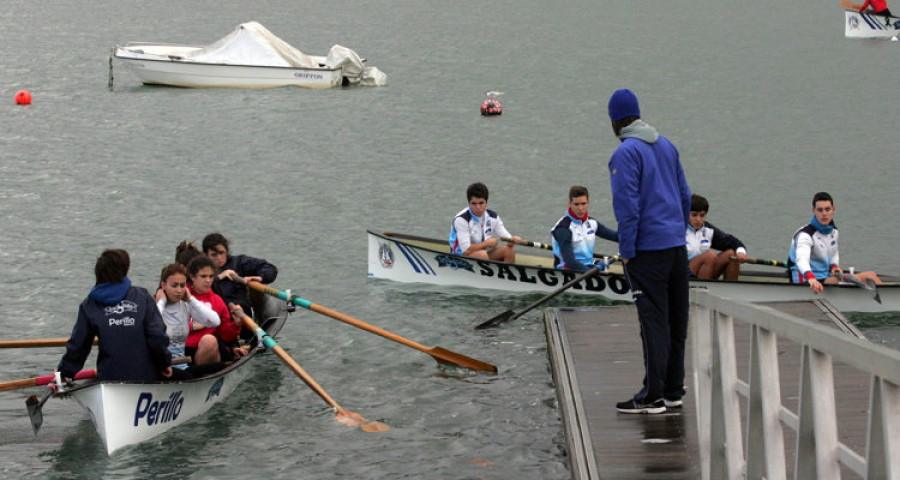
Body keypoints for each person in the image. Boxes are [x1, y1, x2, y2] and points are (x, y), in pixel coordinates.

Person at [606, 89, 692, 414]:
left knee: (652, 321)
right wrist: (677, 230)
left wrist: (627, 250)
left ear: (615, 121)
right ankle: (673, 390)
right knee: (676, 320)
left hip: (647, 251)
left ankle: (652, 395)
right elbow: (685, 196)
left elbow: (628, 206)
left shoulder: (626, 153)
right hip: (675, 247)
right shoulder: (666, 145)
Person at [57, 249, 172, 382]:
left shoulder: (89, 305)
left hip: (109, 378)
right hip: (145, 376)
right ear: (125, 271)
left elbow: (79, 346)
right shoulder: (143, 297)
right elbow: (157, 336)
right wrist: (164, 363)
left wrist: (63, 372)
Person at [788, 192, 882, 294]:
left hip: (825, 278)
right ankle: (886, 302)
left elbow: (834, 252)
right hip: (808, 281)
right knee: (869, 276)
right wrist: (811, 278)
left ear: (833, 210)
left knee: (872, 275)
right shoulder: (806, 235)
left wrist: (834, 267)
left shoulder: (834, 231)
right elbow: (802, 260)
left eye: (827, 209)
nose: (824, 214)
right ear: (813, 211)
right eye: (820, 210)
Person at [156, 263, 223, 379]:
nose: (179, 290)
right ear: (163, 285)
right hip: (162, 368)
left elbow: (215, 321)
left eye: (182, 286)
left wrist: (191, 299)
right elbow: (153, 325)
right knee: (187, 377)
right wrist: (161, 302)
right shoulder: (155, 307)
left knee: (220, 367)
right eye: (174, 285)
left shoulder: (185, 306)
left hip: (182, 366)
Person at [186, 256, 248, 361]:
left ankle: (205, 373)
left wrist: (236, 324)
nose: (208, 281)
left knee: (209, 340)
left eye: (211, 276)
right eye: (203, 276)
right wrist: (195, 326)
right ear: (192, 277)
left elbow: (225, 336)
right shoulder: (179, 295)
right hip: (181, 350)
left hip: (208, 349)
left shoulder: (217, 301)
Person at [202, 233, 278, 317]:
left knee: (238, 304)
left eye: (222, 253)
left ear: (226, 251)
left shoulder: (238, 263)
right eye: (214, 255)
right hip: (215, 314)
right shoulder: (201, 270)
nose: (219, 258)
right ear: (206, 255)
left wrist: (260, 278)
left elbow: (270, 268)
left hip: (240, 312)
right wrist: (219, 277)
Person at [449, 182, 522, 262]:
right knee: (482, 254)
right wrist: (486, 244)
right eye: (474, 204)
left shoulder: (493, 217)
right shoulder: (462, 219)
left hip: (483, 252)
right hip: (460, 256)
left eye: (481, 203)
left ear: (486, 202)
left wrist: (513, 240)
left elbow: (508, 240)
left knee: (509, 251)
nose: (478, 207)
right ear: (469, 203)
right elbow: (466, 250)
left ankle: (507, 274)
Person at [551, 185, 618, 271]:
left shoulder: (592, 223)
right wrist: (593, 272)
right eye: (576, 204)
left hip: (587, 268)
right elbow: (570, 262)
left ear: (588, 203)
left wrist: (634, 237)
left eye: (583, 204)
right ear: (570, 204)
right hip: (568, 271)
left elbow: (616, 237)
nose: (580, 208)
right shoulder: (564, 228)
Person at [686, 194, 748, 280]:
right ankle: (702, 289)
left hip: (704, 269)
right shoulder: (677, 230)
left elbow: (733, 242)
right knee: (709, 256)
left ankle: (730, 290)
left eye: (702, 215)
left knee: (731, 255)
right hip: (682, 273)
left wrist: (741, 253)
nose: (698, 219)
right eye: (694, 215)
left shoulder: (708, 230)